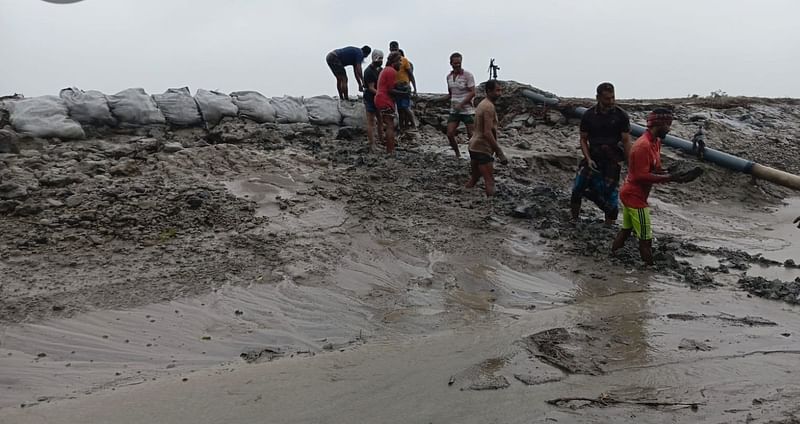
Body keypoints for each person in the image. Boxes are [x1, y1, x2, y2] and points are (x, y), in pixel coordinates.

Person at [612, 109, 694, 265]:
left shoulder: (655, 142)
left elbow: (654, 169)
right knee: (646, 239)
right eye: (668, 125)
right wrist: (670, 178)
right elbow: (640, 176)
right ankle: (648, 275)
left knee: (626, 230)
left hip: (631, 193)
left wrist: (672, 172)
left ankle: (612, 257)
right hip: (635, 197)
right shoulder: (642, 146)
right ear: (659, 124)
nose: (669, 129)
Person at [570, 82, 632, 225]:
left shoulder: (621, 115)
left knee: (611, 194)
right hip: (593, 155)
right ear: (598, 97)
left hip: (612, 158)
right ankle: (574, 218)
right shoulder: (589, 115)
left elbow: (626, 140)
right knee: (578, 187)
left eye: (612, 98)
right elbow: (583, 139)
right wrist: (588, 158)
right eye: (606, 99)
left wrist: (629, 163)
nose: (610, 101)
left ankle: (609, 224)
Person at [465, 80, 508, 196]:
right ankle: (492, 206)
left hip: (473, 146)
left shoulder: (482, 104)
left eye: (501, 90)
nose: (500, 93)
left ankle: (463, 196)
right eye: (497, 90)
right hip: (482, 148)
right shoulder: (488, 107)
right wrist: (499, 152)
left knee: (474, 178)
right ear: (489, 91)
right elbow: (487, 133)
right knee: (489, 180)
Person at [446, 52, 476, 159]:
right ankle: (457, 153)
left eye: (459, 63)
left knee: (471, 135)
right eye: (455, 63)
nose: (457, 65)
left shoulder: (468, 75)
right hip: (454, 110)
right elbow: (450, 94)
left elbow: (473, 92)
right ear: (451, 63)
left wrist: (462, 103)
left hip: (467, 110)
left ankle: (473, 155)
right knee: (450, 133)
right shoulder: (449, 77)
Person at [374, 52, 404, 155]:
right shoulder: (392, 71)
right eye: (399, 61)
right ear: (394, 61)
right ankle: (390, 150)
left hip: (380, 99)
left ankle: (389, 149)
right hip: (385, 99)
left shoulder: (385, 70)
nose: (401, 63)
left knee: (388, 124)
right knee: (390, 125)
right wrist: (404, 93)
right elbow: (390, 90)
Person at [389, 41, 417, 131]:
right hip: (395, 87)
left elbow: (410, 74)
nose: (393, 50)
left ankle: (413, 125)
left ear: (398, 49)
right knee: (400, 109)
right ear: (389, 49)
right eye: (392, 49)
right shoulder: (389, 61)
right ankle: (402, 128)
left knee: (405, 107)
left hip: (404, 85)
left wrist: (415, 88)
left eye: (395, 49)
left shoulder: (404, 60)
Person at [363, 49, 385, 151]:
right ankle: (372, 144)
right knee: (371, 121)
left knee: (380, 120)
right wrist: (381, 94)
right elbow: (371, 88)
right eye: (380, 59)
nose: (381, 61)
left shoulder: (380, 70)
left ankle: (381, 141)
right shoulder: (369, 71)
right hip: (370, 98)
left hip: (378, 98)